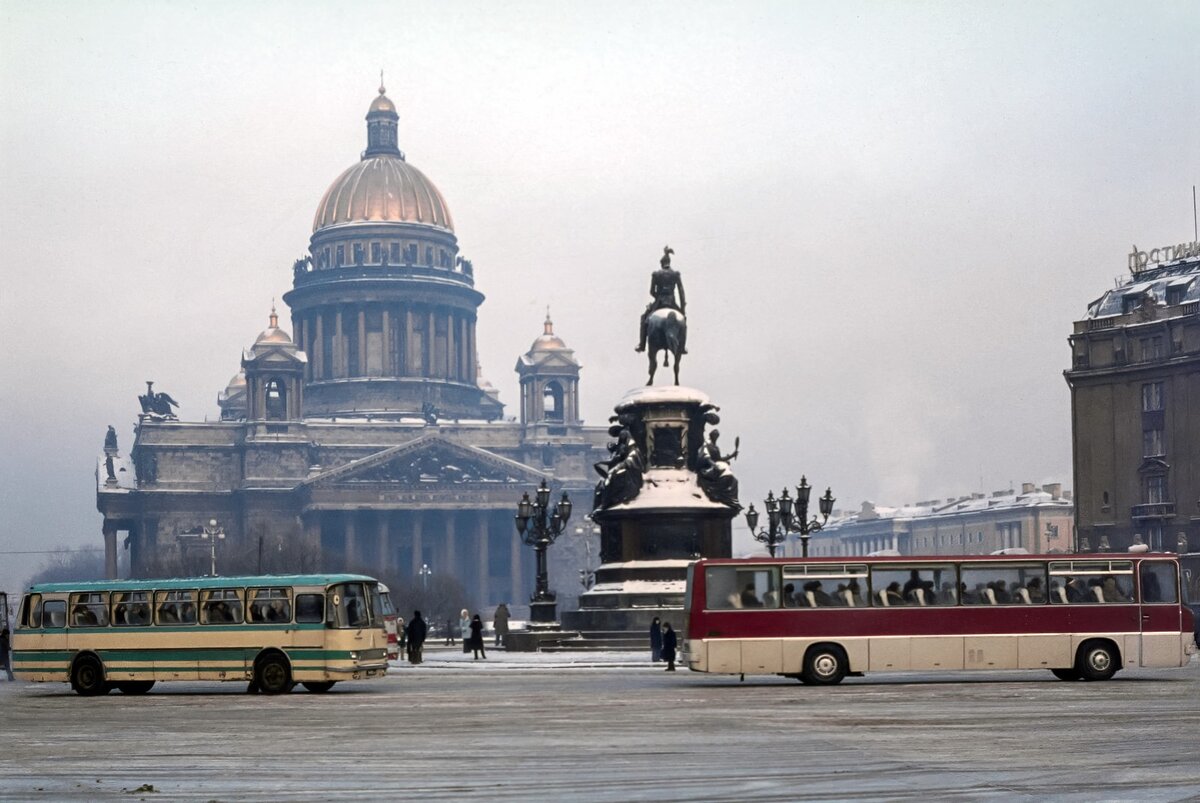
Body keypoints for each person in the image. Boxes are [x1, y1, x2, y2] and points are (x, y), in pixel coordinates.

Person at [636, 246, 687, 353]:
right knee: (683, 321)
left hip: (659, 303)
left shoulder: (656, 274)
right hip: (672, 303)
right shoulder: (675, 274)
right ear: (669, 262)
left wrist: (657, 296)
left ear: (662, 264)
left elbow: (651, 291)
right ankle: (682, 347)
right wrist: (683, 309)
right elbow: (681, 293)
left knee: (644, 318)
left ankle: (642, 345)